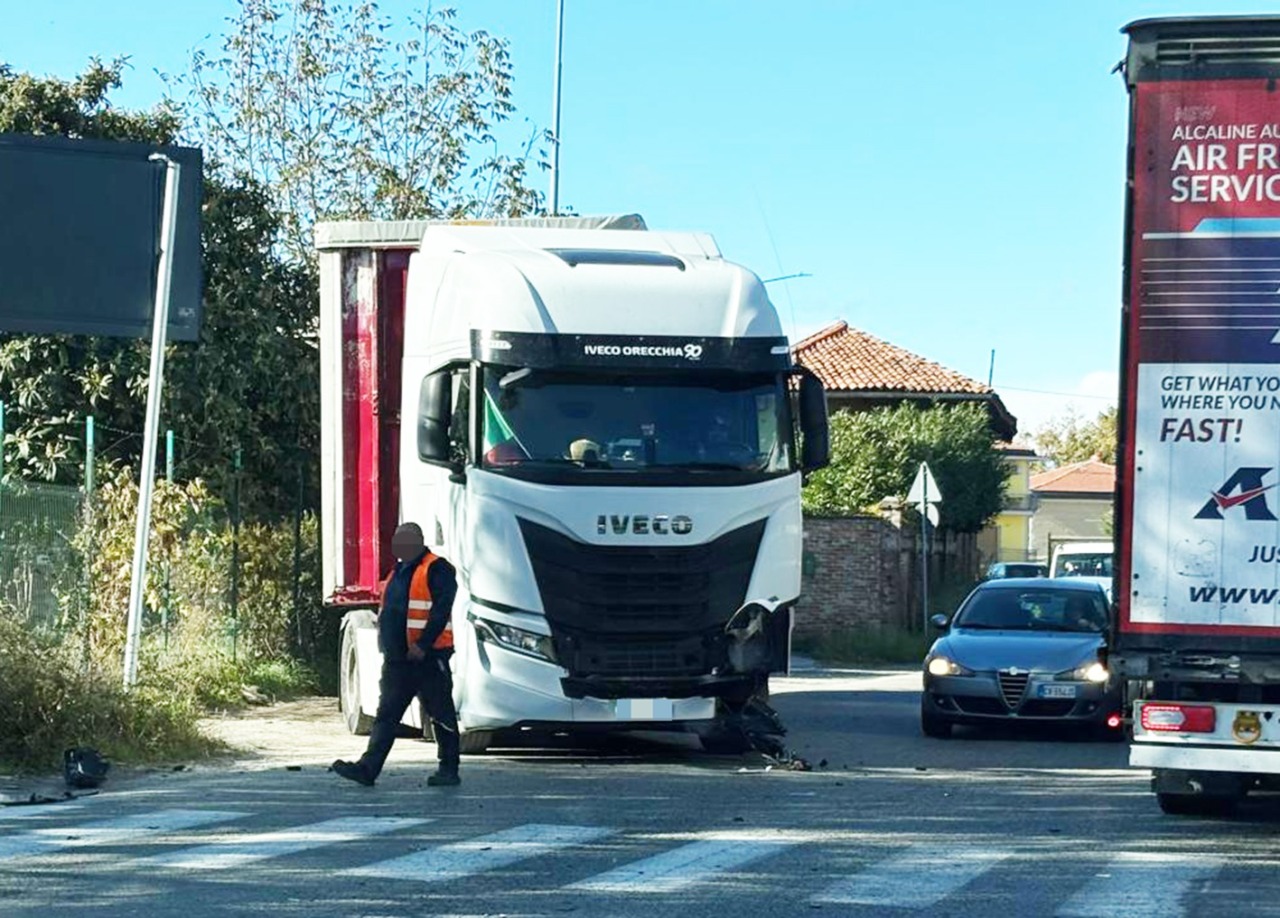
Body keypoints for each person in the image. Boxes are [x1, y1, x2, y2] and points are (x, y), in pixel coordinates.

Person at [331, 522, 462, 787]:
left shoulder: (438, 569)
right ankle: (368, 769)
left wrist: (423, 645)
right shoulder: (399, 570)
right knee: (387, 716)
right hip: (398, 662)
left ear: (418, 541)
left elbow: (440, 611)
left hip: (428, 658)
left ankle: (449, 769)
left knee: (441, 714)